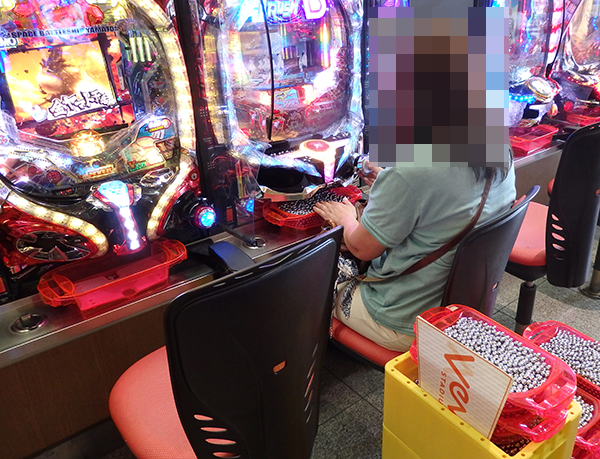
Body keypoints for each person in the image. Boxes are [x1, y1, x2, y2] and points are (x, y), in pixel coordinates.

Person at [313, 161, 516, 352]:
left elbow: (361, 248)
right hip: (462, 310)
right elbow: (446, 197)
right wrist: (395, 188)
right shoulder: (500, 153)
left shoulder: (409, 172)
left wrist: (345, 219)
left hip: (404, 320)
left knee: (310, 271)